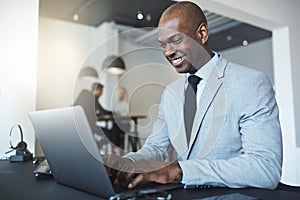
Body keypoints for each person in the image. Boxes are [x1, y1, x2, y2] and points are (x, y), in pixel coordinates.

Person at [104, 1, 282, 190]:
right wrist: (126, 162)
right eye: (163, 45)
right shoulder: (170, 93)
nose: (168, 52)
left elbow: (265, 168)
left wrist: (179, 171)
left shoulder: (250, 84)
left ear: (202, 34)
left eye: (175, 40)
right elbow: (156, 148)